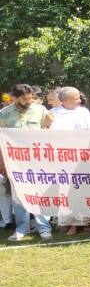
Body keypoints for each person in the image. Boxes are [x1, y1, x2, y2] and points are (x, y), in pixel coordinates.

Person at [0, 84, 54, 241]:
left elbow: (49, 134)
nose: (29, 100)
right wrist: (2, 163)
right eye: (24, 98)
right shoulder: (4, 113)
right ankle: (21, 229)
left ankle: (44, 228)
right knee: (19, 196)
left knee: (39, 194)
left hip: (38, 160)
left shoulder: (41, 110)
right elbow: (1, 139)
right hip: (15, 162)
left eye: (30, 97)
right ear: (15, 98)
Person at [49, 87, 90, 235]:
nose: (79, 99)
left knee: (80, 189)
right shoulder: (53, 114)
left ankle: (79, 223)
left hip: (81, 158)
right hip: (62, 158)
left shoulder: (83, 112)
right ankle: (65, 221)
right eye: (75, 97)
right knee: (64, 190)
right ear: (64, 100)